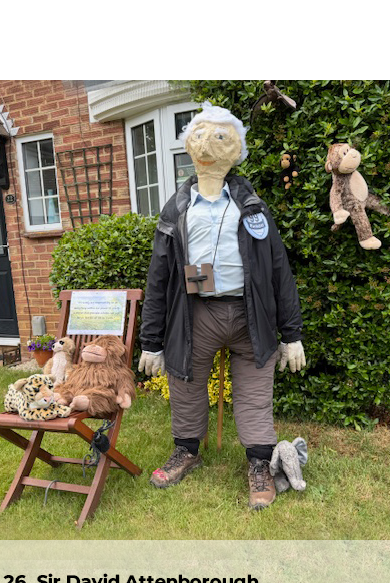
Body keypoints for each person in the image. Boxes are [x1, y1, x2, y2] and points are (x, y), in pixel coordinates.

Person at [138, 102, 305, 510]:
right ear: (189, 146)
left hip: (251, 316)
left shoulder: (252, 207)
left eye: (219, 136)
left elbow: (278, 269)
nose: (208, 143)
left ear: (236, 149)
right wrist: (151, 342)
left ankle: (260, 463)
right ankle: (186, 451)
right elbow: (158, 278)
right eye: (200, 135)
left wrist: (292, 334)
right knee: (185, 383)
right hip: (196, 315)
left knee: (255, 392)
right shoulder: (176, 210)